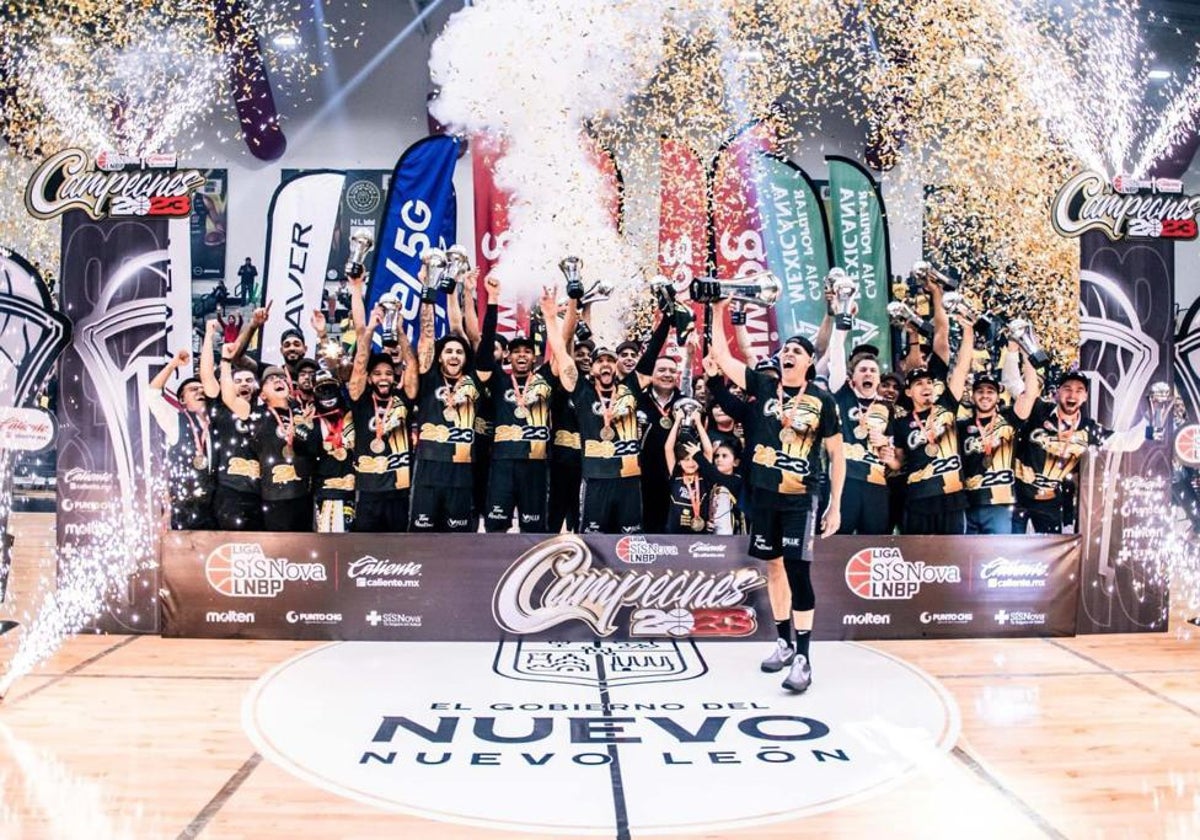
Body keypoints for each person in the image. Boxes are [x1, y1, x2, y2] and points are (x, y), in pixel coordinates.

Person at [708, 297, 844, 695]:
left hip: (800, 497)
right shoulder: (765, 386)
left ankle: (803, 657)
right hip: (764, 496)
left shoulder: (823, 401)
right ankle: (783, 642)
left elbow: (837, 456)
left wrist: (835, 504)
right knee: (773, 568)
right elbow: (722, 356)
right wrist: (718, 312)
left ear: (808, 363)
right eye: (786, 350)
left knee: (799, 571)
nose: (789, 354)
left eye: (797, 351)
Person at [547, 294, 676, 534]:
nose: (605, 365)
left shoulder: (631, 388)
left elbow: (652, 352)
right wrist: (549, 317)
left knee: (629, 543)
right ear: (592, 368)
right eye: (600, 361)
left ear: (616, 367)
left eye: (610, 361)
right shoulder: (581, 390)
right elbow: (562, 354)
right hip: (595, 480)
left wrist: (667, 318)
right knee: (592, 544)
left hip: (629, 481)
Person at [409, 272, 499, 532]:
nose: (454, 355)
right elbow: (426, 337)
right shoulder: (429, 378)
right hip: (427, 473)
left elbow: (485, 344)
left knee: (458, 541)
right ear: (439, 357)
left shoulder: (474, 382)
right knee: (421, 539)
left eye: (459, 351)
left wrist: (492, 300)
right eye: (448, 350)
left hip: (461, 477)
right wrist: (428, 288)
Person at [1012, 371, 1146, 533]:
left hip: (1048, 502)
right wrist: (1013, 352)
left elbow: (1126, 442)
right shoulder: (1039, 410)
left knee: (1051, 553)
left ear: (1085, 397)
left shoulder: (1088, 429)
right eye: (1067, 388)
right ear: (1058, 392)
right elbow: (1014, 386)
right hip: (1016, 498)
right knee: (1008, 551)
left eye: (1079, 390)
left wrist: (1151, 418)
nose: (1072, 394)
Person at [348, 305, 418, 532]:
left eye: (388, 373)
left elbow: (413, 365)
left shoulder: (403, 399)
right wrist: (369, 330)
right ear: (369, 379)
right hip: (367, 491)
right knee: (364, 548)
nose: (384, 378)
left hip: (398, 489)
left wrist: (399, 331)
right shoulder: (361, 401)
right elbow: (359, 365)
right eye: (377, 374)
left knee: (397, 550)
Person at [958, 343, 1040, 534]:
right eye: (980, 391)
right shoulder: (961, 426)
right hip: (968, 503)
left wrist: (1026, 352)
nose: (985, 396)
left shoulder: (1009, 419)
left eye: (990, 392)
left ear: (997, 396)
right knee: (966, 559)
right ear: (972, 395)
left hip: (1000, 504)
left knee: (996, 558)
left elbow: (1030, 394)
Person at [485, 321, 557, 533]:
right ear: (508, 356)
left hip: (535, 465)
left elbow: (563, 344)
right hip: (502, 464)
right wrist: (492, 300)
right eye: (516, 352)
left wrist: (552, 315)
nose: (522, 355)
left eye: (527, 351)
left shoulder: (544, 379)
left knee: (534, 528)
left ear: (534, 357)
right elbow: (478, 342)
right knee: (495, 526)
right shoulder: (499, 380)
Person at [147, 349, 216, 530]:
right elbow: (152, 394)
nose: (200, 392)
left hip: (213, 507)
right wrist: (173, 365)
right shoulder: (175, 420)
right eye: (193, 390)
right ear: (182, 400)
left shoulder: (216, 424)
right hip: (183, 506)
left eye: (202, 390)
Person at [310, 369, 356, 532]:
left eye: (331, 388)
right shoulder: (311, 420)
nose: (327, 395)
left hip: (355, 490)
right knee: (326, 542)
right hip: (326, 491)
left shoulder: (353, 416)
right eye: (322, 390)